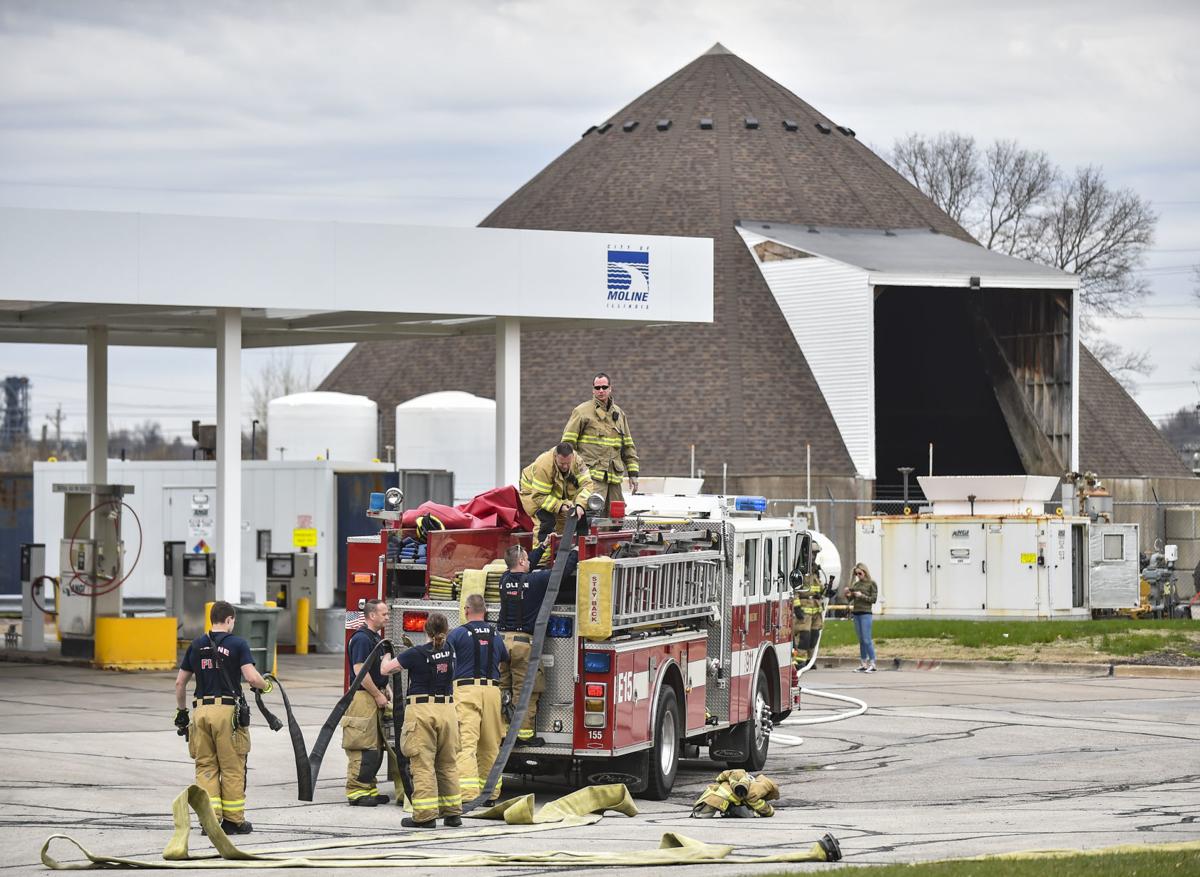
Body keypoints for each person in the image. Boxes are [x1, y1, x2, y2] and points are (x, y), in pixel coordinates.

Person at [174, 600, 270, 835]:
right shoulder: (238, 643)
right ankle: (234, 821)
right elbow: (251, 677)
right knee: (232, 767)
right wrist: (266, 686)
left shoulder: (196, 645)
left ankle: (210, 821)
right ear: (229, 620)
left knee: (205, 766)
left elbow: (180, 682)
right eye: (233, 621)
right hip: (227, 712)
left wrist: (182, 713)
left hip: (200, 712)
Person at [497, 542, 577, 746]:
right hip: (523, 644)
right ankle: (523, 736)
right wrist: (574, 552)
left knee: (504, 688)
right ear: (522, 561)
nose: (530, 561)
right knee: (525, 690)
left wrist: (541, 548)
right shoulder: (536, 580)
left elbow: (521, 563)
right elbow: (561, 572)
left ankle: (504, 732)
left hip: (502, 643)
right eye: (527, 558)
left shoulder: (504, 579)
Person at [391, 612, 461, 828]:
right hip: (448, 710)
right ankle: (453, 814)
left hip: (422, 711)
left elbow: (387, 669)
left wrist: (387, 656)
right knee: (447, 763)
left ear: (425, 630)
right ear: (446, 631)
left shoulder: (416, 653)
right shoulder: (451, 651)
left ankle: (424, 816)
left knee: (422, 765)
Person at [447, 594, 508, 804]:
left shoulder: (457, 634)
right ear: (486, 611)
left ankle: (468, 795)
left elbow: (446, 659)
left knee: (466, 744)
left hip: (466, 691)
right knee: (491, 745)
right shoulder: (495, 634)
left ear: (466, 610)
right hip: (492, 692)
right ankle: (490, 794)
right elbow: (503, 658)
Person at [342, 598, 395, 807]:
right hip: (363, 697)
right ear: (372, 615)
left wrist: (386, 688)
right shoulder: (362, 639)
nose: (387, 617)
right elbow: (360, 672)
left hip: (373, 696)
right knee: (362, 745)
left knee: (375, 747)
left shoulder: (374, 639)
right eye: (384, 614)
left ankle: (369, 789)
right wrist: (377, 694)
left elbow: (377, 670)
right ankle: (356, 791)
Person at [561, 373, 640, 515]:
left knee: (616, 519)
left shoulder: (619, 414)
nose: (601, 390)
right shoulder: (581, 412)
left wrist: (633, 474)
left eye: (604, 387)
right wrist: (570, 474)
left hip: (614, 480)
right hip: (591, 478)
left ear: (610, 388)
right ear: (593, 390)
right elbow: (567, 445)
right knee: (593, 519)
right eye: (597, 387)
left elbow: (628, 446)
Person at [517, 442, 597, 553]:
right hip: (533, 491)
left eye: (568, 463)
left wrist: (580, 505)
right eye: (561, 463)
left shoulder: (577, 460)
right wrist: (560, 506)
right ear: (555, 457)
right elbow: (539, 496)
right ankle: (542, 561)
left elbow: (587, 484)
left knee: (565, 520)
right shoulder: (543, 466)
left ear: (572, 457)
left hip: (553, 491)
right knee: (546, 521)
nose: (565, 466)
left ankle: (559, 555)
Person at [791, 544, 826, 669]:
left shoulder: (815, 569)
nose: (814, 556)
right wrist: (797, 607)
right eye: (812, 553)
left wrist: (825, 591)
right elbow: (793, 588)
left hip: (815, 608)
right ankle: (799, 661)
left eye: (816, 554)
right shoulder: (798, 569)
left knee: (814, 636)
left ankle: (810, 660)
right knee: (804, 637)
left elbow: (818, 587)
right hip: (803, 607)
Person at [844, 563, 878, 672]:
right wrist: (848, 594)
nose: (858, 575)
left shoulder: (871, 584)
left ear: (865, 572)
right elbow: (850, 600)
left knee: (867, 639)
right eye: (856, 574)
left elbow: (873, 599)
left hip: (866, 613)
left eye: (860, 573)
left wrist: (861, 595)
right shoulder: (856, 584)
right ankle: (863, 663)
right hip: (856, 613)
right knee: (861, 640)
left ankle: (872, 662)